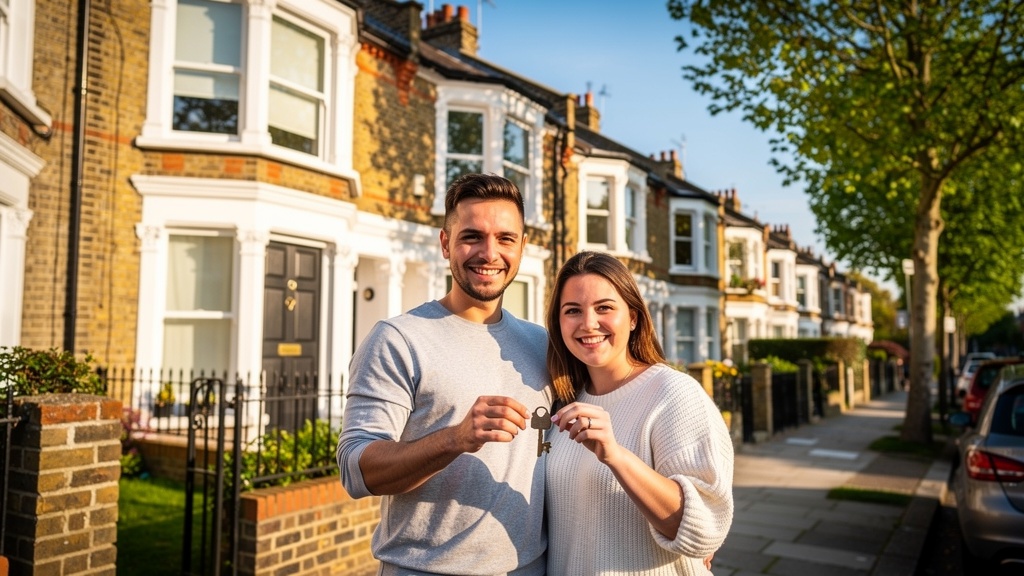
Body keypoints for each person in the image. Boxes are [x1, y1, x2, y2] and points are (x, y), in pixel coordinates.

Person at [336, 173, 552, 576]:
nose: (489, 253)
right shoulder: (399, 339)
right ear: (444, 243)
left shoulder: (542, 344)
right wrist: (455, 438)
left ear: (522, 247)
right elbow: (355, 469)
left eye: (505, 238)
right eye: (472, 236)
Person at [544, 250, 734, 575]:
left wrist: (616, 456)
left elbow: (704, 529)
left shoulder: (672, 393)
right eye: (572, 310)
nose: (589, 323)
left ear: (633, 317)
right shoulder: (564, 399)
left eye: (604, 307)